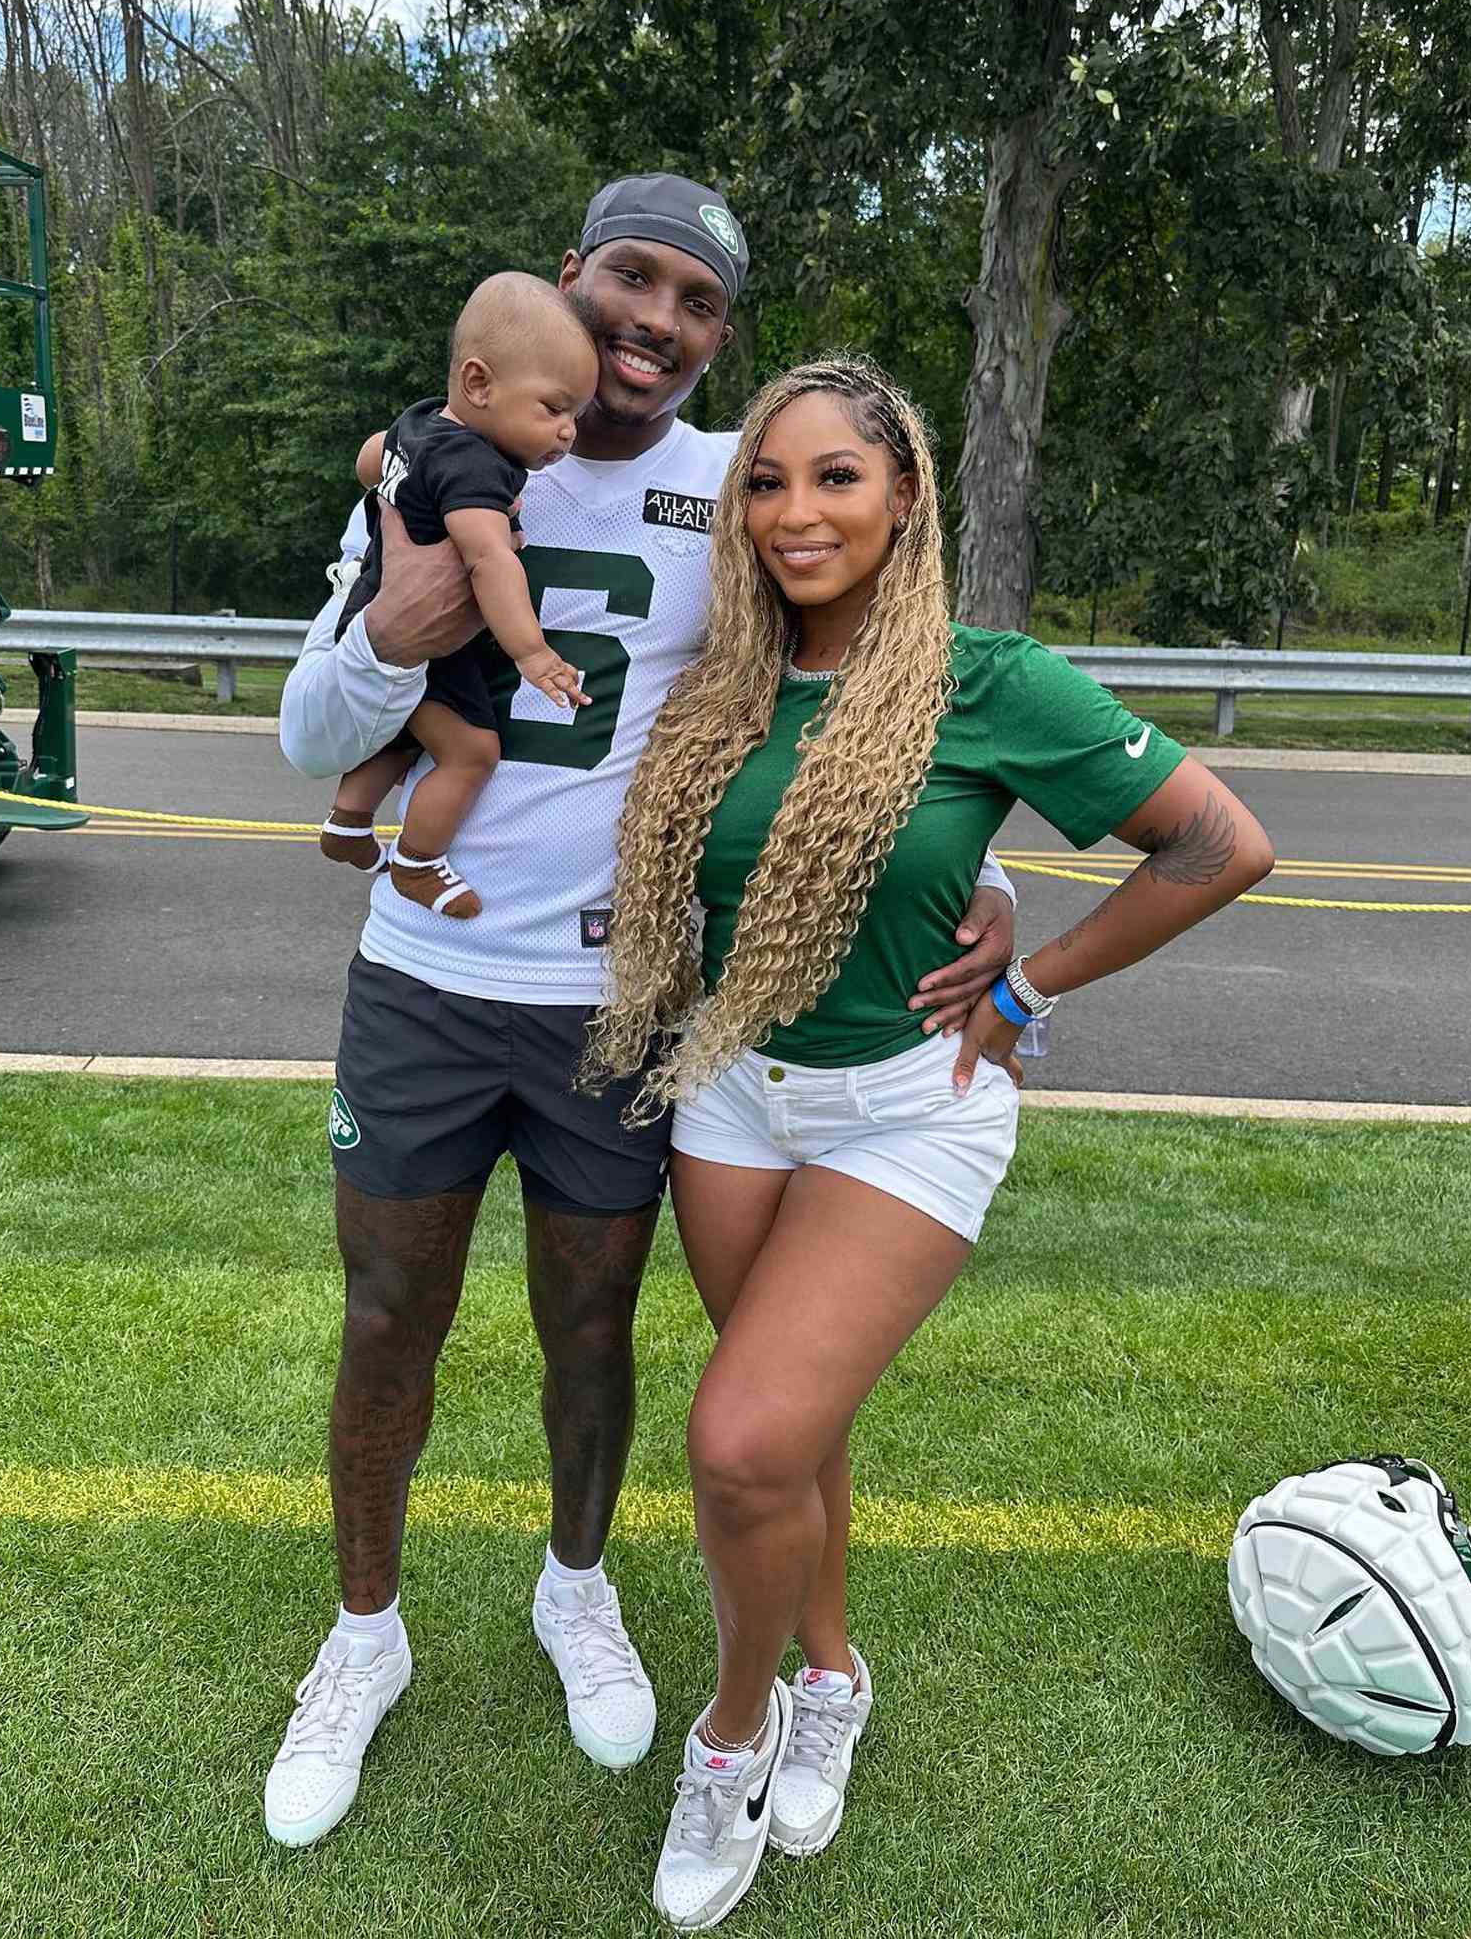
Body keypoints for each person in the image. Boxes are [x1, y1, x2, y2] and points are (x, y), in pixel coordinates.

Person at [271, 181, 1021, 1850]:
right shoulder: (429, 460)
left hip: (621, 999)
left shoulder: (738, 493)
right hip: (426, 977)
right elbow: (303, 728)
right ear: (570, 277)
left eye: (692, 297)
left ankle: (574, 1587)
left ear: (715, 336)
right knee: (389, 1316)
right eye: (630, 276)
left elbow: (868, 696)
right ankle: (362, 1638)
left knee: (590, 1326)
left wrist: (983, 885)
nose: (653, 318)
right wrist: (391, 637)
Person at [580, 355, 1276, 1931]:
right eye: (767, 481)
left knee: (739, 1440)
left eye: (837, 477)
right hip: (731, 1093)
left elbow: (1220, 841)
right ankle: (831, 1677)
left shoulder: (987, 679)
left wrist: (1027, 978)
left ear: (904, 498)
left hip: (906, 1110)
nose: (796, 511)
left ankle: (734, 1735)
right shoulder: (722, 682)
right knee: (797, 1430)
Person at [317, 272, 598, 918]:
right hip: (428, 640)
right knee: (471, 752)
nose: (566, 433)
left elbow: (368, 460)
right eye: (553, 409)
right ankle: (416, 864)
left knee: (409, 730)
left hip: (369, 617)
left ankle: (348, 820)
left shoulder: (418, 424)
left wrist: (398, 481)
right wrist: (531, 654)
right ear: (479, 384)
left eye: (575, 416)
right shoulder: (476, 465)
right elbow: (487, 557)